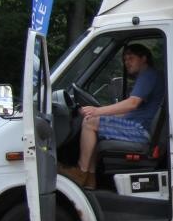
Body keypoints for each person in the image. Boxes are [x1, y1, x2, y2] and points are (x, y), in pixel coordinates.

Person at [60, 43, 164, 190]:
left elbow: (132, 104)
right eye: (125, 59)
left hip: (140, 131)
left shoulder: (148, 75)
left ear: (144, 58)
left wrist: (97, 111)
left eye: (131, 58)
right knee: (95, 125)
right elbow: (129, 112)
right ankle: (90, 179)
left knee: (90, 123)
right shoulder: (149, 76)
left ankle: (81, 172)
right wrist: (101, 112)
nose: (127, 62)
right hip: (137, 127)